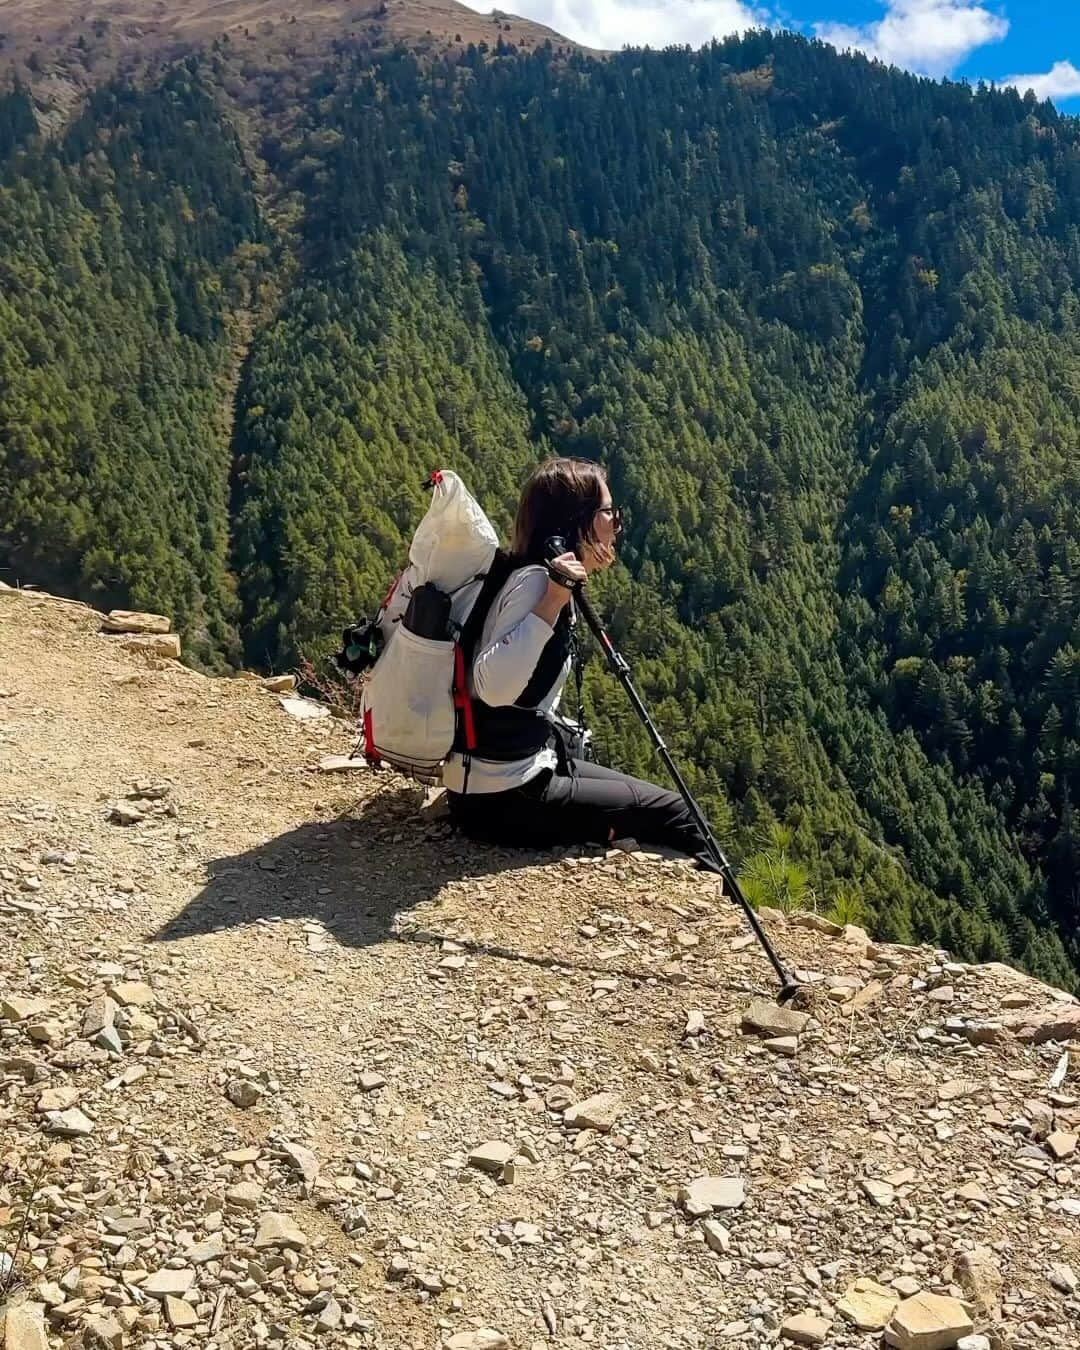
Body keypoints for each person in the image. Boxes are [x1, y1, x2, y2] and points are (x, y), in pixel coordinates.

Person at [442, 456, 721, 873]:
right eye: (608, 513)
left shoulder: (531, 574)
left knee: (670, 806)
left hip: (511, 775)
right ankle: (729, 916)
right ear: (577, 522)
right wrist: (553, 601)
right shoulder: (538, 585)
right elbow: (493, 686)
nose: (617, 523)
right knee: (680, 815)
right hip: (505, 798)